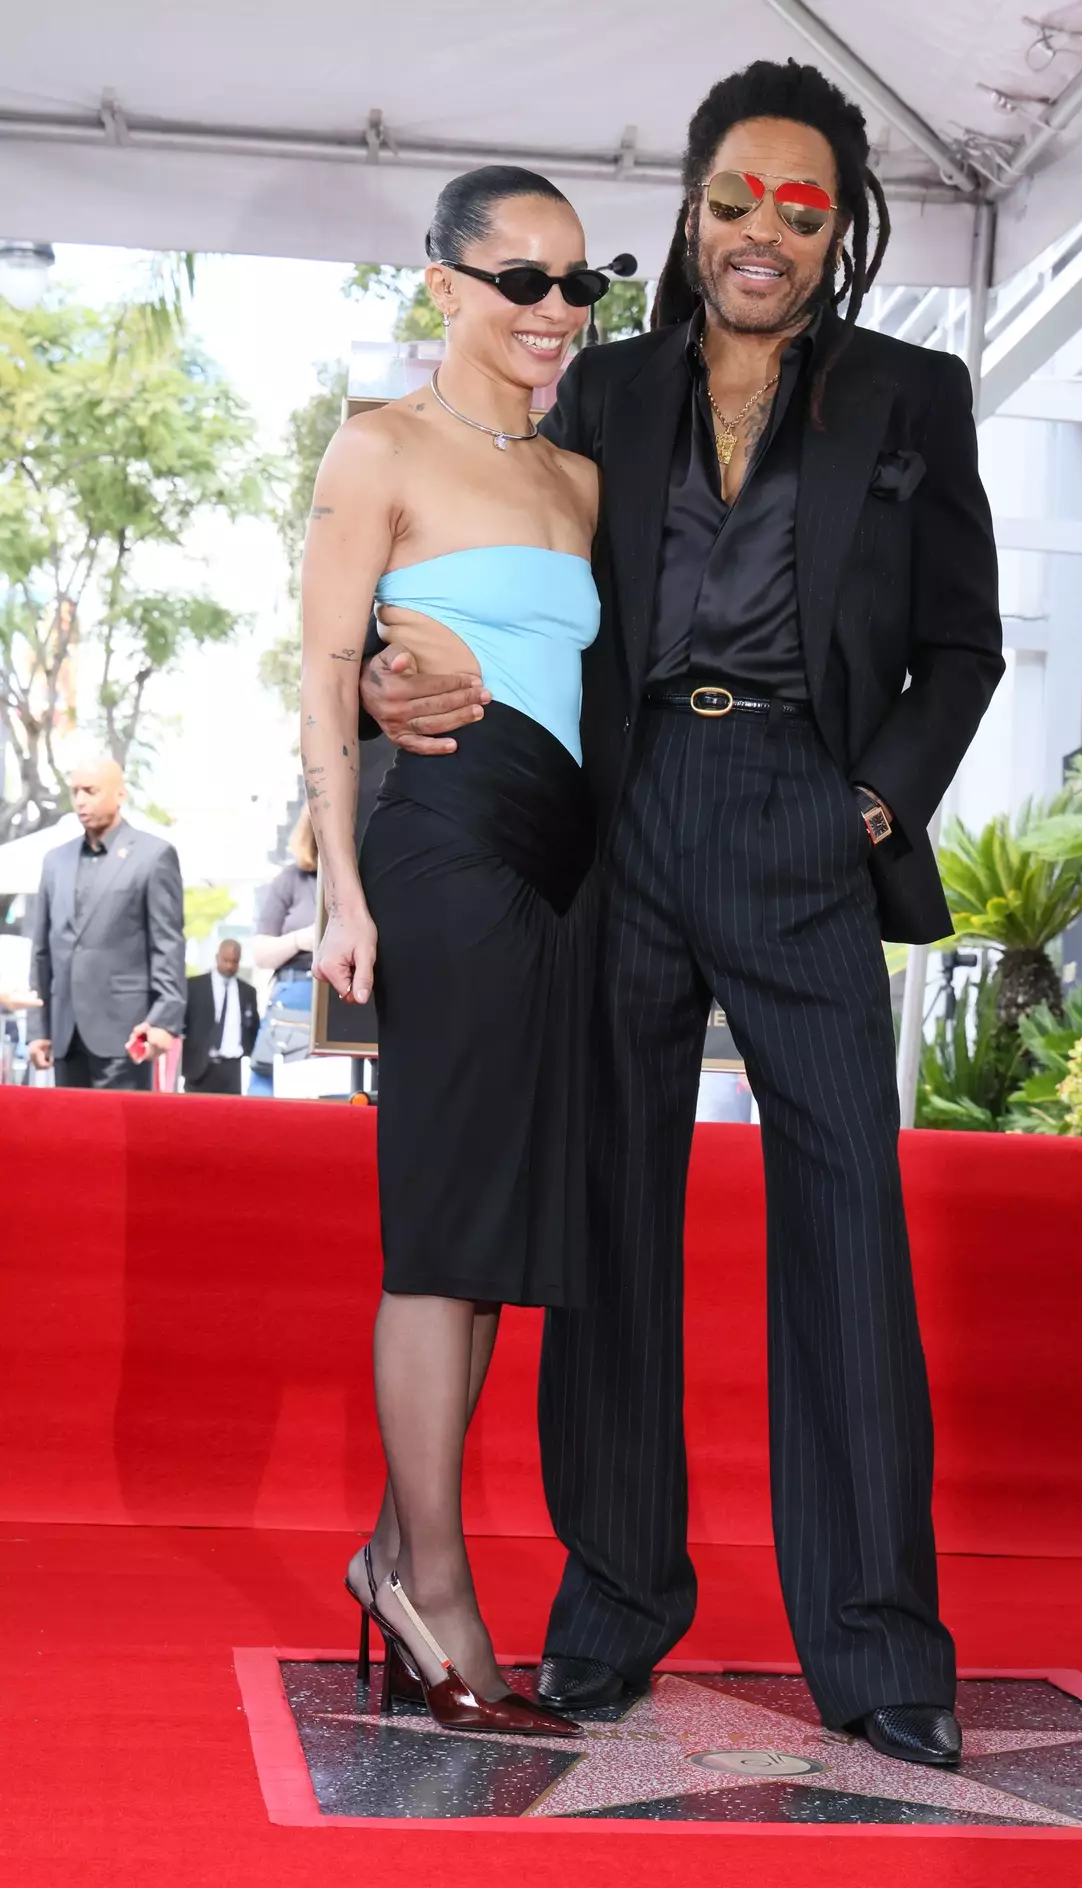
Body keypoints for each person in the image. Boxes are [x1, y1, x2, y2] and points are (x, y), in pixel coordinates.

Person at [362, 61, 1004, 1770]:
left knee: (850, 1229)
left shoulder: (915, 394)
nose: (763, 232)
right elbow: (500, 560)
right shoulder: (608, 391)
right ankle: (617, 1603)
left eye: (802, 206)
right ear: (695, 212)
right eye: (736, 199)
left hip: (806, 818)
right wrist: (390, 671)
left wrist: (873, 799)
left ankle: (877, 1644)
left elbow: (966, 643)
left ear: (842, 225)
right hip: (620, 823)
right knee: (614, 1226)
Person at [306, 165, 607, 1740]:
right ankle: (435, 1589)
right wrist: (340, 892)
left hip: (555, 875)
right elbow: (318, 676)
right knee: (439, 1236)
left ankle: (392, 1555)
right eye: (521, 280)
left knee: (486, 1249)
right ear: (443, 286)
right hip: (437, 851)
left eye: (578, 286)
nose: (553, 312)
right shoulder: (381, 446)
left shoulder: (577, 483)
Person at [27, 757, 185, 1091]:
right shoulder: (55, 861)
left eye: (91, 790)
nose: (81, 800)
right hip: (65, 1035)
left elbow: (167, 946)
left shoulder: (153, 855)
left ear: (120, 794)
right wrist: (38, 1029)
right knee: (69, 1138)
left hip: (127, 1032)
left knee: (120, 1141)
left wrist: (163, 1021)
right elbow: (42, 951)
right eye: (75, 792)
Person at [247, 812, 320, 1096]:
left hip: (350, 1000)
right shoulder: (291, 879)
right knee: (271, 1099)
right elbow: (261, 953)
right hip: (295, 1000)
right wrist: (301, 940)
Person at [182, 938, 259, 1095]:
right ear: (217, 957)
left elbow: (253, 1027)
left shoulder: (247, 992)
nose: (230, 966)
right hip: (200, 1067)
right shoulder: (194, 986)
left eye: (234, 962)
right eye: (226, 960)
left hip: (233, 1068)